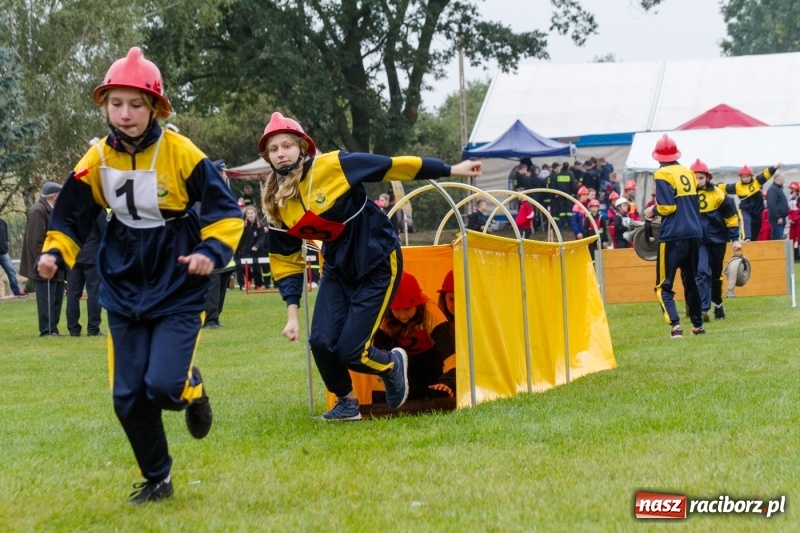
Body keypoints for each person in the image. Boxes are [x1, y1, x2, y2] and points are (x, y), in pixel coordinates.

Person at [35, 47, 243, 503]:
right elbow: (71, 216)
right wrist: (54, 254)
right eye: (116, 104)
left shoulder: (181, 151)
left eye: (135, 104)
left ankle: (193, 386)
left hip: (178, 276)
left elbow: (225, 210)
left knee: (164, 387)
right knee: (128, 397)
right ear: (105, 106)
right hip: (123, 279)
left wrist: (211, 249)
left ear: (154, 108)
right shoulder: (95, 160)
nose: (125, 114)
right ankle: (158, 478)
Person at [258, 111, 481, 421]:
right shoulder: (277, 199)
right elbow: (285, 260)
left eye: (286, 145)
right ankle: (347, 404)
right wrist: (292, 315)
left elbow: (390, 165)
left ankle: (392, 365)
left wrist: (451, 168)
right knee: (321, 342)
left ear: (302, 147)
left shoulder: (333, 166)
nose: (281, 153)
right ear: (267, 156)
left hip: (378, 263)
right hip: (338, 270)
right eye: (274, 149)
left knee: (351, 351)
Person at [643, 135, 704, 339]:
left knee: (663, 285)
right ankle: (698, 325)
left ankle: (676, 326)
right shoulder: (689, 172)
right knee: (691, 281)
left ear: (658, 156)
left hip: (672, 236)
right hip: (694, 233)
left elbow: (668, 207)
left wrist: (653, 210)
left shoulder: (662, 173)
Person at [372, 272, 456, 401]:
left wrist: (448, 382)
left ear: (417, 304)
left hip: (433, 368)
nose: (403, 315)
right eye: (397, 310)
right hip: (406, 371)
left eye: (407, 309)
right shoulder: (384, 318)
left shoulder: (432, 314)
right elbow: (379, 358)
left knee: (441, 393)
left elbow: (449, 354)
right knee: (382, 397)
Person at [690, 159, 741, 321]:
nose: (698, 181)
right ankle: (704, 308)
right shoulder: (686, 195)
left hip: (718, 239)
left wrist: (735, 239)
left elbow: (731, 217)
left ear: (707, 178)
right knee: (702, 271)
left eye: (701, 177)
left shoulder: (719, 194)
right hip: (698, 240)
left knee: (716, 275)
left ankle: (718, 304)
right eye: (695, 177)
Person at [20, 181, 64, 335]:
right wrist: (44, 262)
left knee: (56, 297)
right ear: (54, 196)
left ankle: (54, 328)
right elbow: (36, 241)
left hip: (54, 262)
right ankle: (46, 329)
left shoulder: (51, 210)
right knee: (46, 299)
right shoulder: (38, 211)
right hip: (44, 264)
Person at [66, 210, 107, 336]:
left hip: (73, 255)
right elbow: (105, 230)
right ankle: (93, 328)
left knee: (72, 293)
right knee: (94, 293)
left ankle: (73, 329)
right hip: (92, 256)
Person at [724, 163, 781, 241]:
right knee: (746, 220)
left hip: (757, 211)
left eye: (747, 176)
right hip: (745, 209)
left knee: (756, 226)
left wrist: (774, 168)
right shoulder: (737, 186)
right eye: (743, 177)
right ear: (741, 177)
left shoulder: (757, 182)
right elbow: (724, 187)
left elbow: (765, 174)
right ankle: (746, 237)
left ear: (751, 176)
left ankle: (753, 240)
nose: (746, 179)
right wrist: (713, 186)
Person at [236, 205, 266, 290]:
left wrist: (256, 246)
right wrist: (239, 249)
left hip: (256, 251)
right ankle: (249, 279)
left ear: (255, 214)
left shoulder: (260, 225)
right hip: (245, 250)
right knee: (244, 267)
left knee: (256, 268)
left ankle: (259, 284)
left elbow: (262, 238)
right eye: (248, 213)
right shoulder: (244, 225)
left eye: (252, 213)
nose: (250, 215)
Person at [0, 216, 27, 297]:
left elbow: (6, 238)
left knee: (11, 271)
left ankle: (16, 291)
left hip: (3, 253)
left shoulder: (3, 223)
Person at [766, 172, 789, 240]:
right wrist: (778, 217)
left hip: (781, 218)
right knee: (777, 238)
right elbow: (771, 204)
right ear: (778, 179)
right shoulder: (773, 189)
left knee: (779, 236)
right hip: (777, 219)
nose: (784, 180)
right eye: (783, 179)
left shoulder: (778, 189)